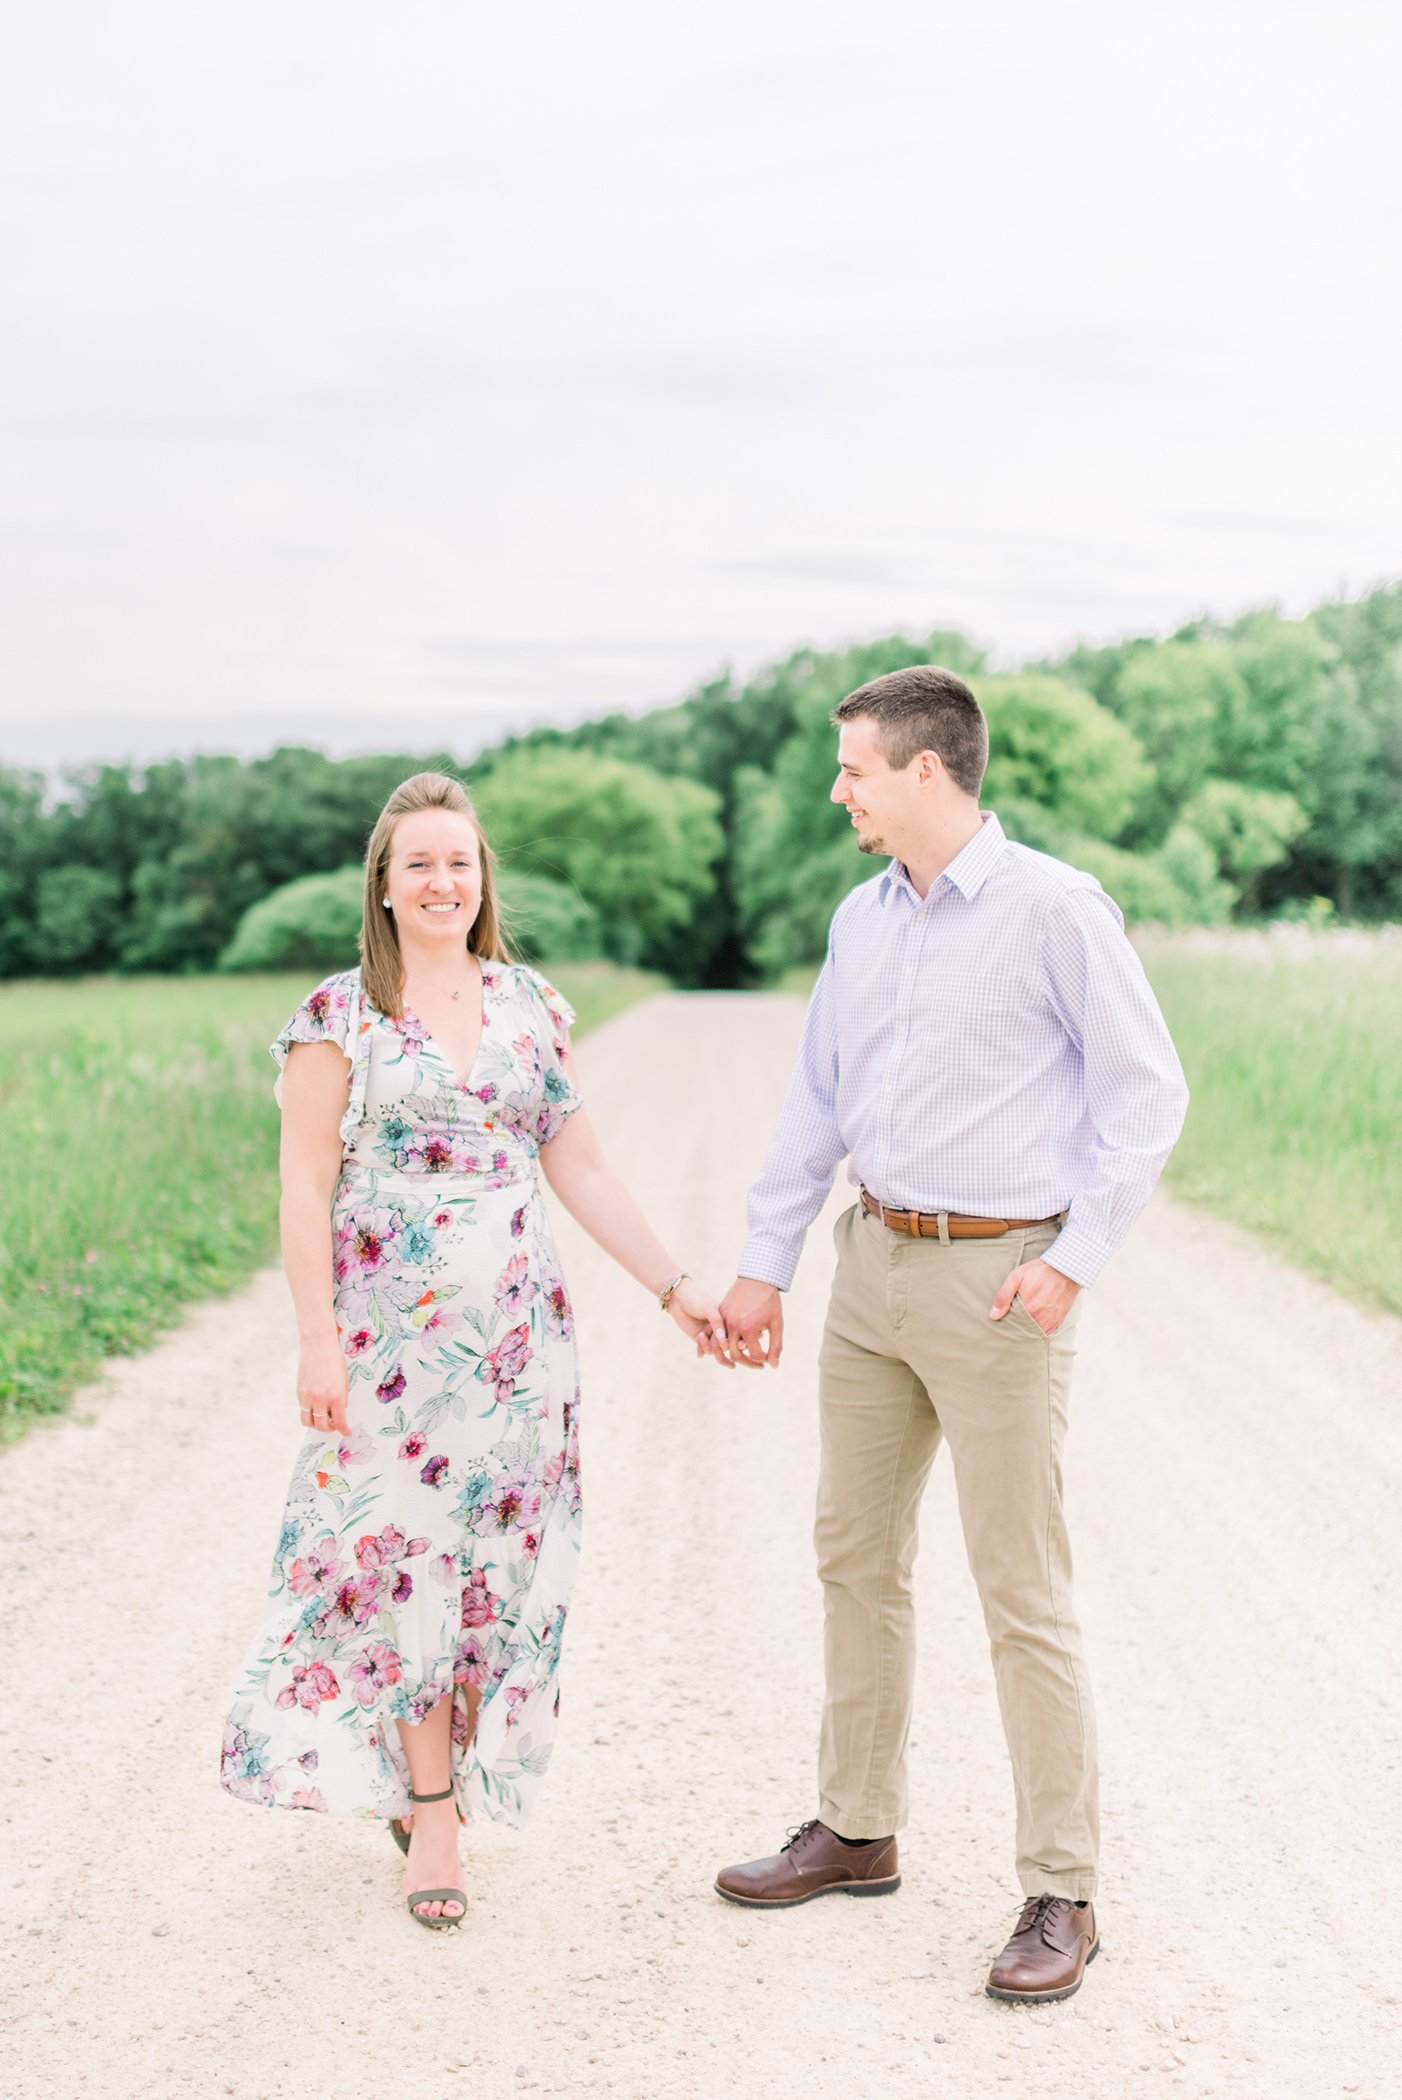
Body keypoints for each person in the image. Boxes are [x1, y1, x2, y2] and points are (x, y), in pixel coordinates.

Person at [708, 666, 1188, 2003]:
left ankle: (1061, 1890)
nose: (837, 790)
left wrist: (1073, 1260)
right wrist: (765, 1266)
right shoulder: (858, 922)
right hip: (872, 1267)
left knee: (1018, 1586)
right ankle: (855, 1827)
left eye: (853, 768)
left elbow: (1147, 1095)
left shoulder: (1052, 908)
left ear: (928, 770)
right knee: (852, 1554)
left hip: (999, 1282)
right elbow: (815, 1102)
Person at [221, 771, 724, 1929]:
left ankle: (432, 1775)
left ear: (482, 877)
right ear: (385, 890)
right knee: (396, 1561)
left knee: (491, 1565)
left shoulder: (529, 1006)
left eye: (460, 861)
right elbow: (304, 1187)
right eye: (419, 866)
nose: (442, 881)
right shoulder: (337, 1014)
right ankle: (433, 1811)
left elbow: (580, 1166)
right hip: (384, 1342)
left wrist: (674, 1289)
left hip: (514, 1346)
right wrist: (316, 1342)